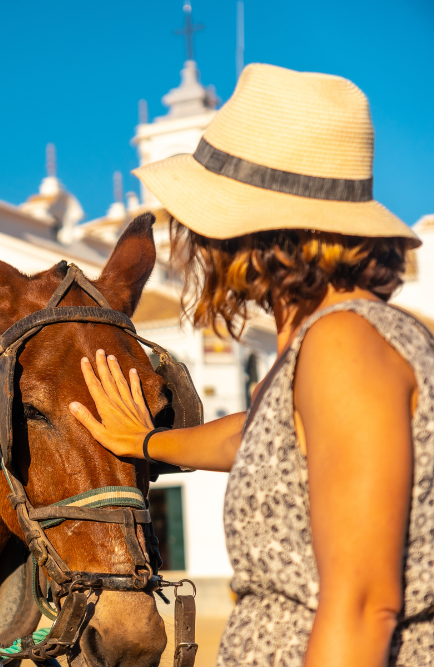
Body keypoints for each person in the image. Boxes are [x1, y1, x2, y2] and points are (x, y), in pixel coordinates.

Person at [68, 63, 432, 666]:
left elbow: (366, 603)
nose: (196, 244)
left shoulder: (344, 346)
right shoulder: (329, 340)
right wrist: (150, 441)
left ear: (256, 235)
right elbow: (264, 436)